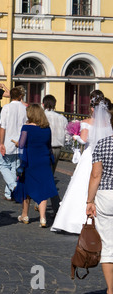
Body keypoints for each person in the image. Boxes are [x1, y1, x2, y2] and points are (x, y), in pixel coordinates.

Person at [51, 90, 113, 234]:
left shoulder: (86, 123)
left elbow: (84, 140)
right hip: (103, 156)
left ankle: (75, 221)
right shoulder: (108, 125)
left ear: (92, 108)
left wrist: (75, 137)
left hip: (89, 156)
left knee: (81, 186)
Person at [14, 104, 59, 228]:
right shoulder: (47, 128)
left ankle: (25, 215)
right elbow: (48, 145)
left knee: (26, 186)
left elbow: (22, 144)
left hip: (30, 161)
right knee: (42, 188)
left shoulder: (26, 127)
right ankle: (43, 218)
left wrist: (18, 144)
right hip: (44, 160)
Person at [86, 104, 113, 294]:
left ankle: (111, 291)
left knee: (109, 246)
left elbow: (96, 174)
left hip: (106, 195)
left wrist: (89, 200)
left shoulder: (103, 144)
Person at [0, 87, 28, 201]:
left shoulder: (6, 108)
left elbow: (3, 126)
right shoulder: (24, 109)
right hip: (20, 141)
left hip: (8, 140)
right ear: (20, 96)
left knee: (3, 166)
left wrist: (1, 143)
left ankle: (13, 186)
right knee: (14, 167)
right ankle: (9, 193)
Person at [43, 94, 68, 215]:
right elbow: (67, 135)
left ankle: (55, 205)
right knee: (49, 175)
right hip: (58, 148)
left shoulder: (42, 116)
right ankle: (44, 202)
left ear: (43, 104)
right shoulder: (62, 118)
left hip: (46, 147)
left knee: (47, 178)